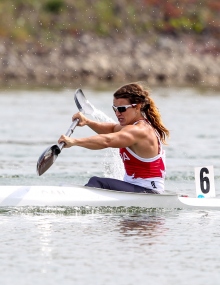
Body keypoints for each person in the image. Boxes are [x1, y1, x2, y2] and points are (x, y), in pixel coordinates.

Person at [58, 82, 169, 194]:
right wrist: (87, 122)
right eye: (114, 109)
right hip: (137, 188)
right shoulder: (133, 126)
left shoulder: (139, 130)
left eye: (121, 109)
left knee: (96, 182)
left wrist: (74, 141)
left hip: (148, 191)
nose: (117, 113)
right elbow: (111, 129)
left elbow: (108, 140)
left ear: (138, 107)